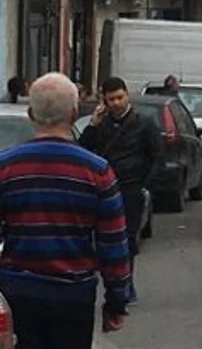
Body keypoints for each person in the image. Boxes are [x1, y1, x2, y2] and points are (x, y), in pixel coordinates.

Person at [0, 73, 132, 347]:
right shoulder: (97, 171)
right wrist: (116, 302)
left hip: (17, 291)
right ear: (74, 113)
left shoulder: (7, 167)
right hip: (73, 294)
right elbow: (114, 244)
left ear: (30, 114)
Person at [78, 76, 163, 305]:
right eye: (111, 99)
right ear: (104, 100)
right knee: (100, 238)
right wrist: (93, 126)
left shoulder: (144, 123)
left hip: (131, 188)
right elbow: (82, 150)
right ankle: (107, 283)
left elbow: (157, 156)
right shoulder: (101, 124)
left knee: (127, 239)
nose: (116, 103)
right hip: (103, 188)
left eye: (120, 97)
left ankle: (126, 284)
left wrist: (146, 185)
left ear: (127, 95)